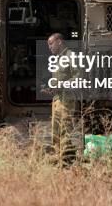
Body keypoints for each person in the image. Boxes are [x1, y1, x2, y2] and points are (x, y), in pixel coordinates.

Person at [47, 33, 78, 165]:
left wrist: (60, 85)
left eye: (51, 43)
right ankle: (57, 157)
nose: (49, 47)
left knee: (65, 129)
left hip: (67, 99)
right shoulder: (58, 58)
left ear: (59, 41)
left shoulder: (71, 56)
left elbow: (79, 78)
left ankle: (66, 159)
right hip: (57, 99)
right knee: (56, 130)